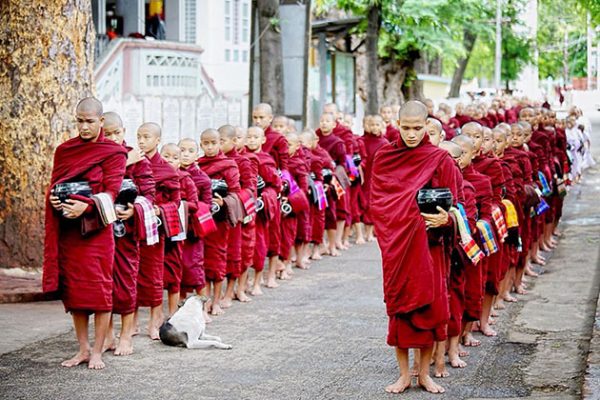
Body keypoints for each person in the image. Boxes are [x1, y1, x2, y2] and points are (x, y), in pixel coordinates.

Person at [371, 101, 459, 394]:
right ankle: (404, 375)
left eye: (417, 128)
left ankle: (424, 374)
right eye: (405, 127)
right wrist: (396, 224)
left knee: (429, 310)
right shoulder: (385, 157)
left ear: (426, 126)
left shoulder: (438, 159)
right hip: (397, 245)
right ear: (397, 124)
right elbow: (379, 203)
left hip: (429, 246)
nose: (411, 134)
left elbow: (457, 207)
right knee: (400, 311)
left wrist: (446, 220)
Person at [44, 97, 127, 369]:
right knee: (76, 291)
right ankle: (82, 349)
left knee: (100, 291)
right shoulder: (65, 150)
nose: (84, 127)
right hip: (69, 229)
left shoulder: (113, 152)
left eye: (90, 121)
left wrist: (87, 204)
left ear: (101, 121)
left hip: (97, 231)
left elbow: (113, 192)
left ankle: (98, 352)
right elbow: (56, 183)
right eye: (80, 121)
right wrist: (55, 200)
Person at [103, 111, 155, 356]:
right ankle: (108, 336)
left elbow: (149, 194)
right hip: (100, 230)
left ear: (124, 131)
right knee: (103, 285)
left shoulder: (140, 159)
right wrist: (124, 161)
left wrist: (135, 210)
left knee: (125, 282)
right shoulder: (98, 155)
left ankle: (126, 336)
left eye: (117, 133)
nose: (113, 138)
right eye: (108, 133)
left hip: (126, 233)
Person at [136, 122, 181, 338]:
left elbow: (176, 202)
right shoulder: (133, 164)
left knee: (154, 275)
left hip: (156, 228)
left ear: (157, 140)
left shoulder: (166, 170)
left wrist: (159, 210)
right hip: (134, 226)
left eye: (146, 137)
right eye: (139, 137)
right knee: (133, 275)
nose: (142, 141)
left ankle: (154, 321)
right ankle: (132, 322)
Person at [197, 129, 241, 315]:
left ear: (219, 143)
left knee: (218, 261)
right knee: (204, 262)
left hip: (220, 221)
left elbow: (236, 193)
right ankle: (205, 302)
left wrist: (224, 202)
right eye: (205, 144)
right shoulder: (198, 164)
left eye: (213, 143)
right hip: (204, 221)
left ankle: (216, 301)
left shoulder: (229, 165)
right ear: (201, 145)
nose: (209, 147)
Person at [219, 125, 256, 308]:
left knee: (237, 253)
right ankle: (217, 294)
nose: (217, 145)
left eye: (221, 141)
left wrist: (231, 200)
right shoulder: (209, 161)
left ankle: (233, 290)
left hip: (237, 214)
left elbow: (250, 189)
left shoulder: (242, 162)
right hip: (218, 215)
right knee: (217, 256)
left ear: (233, 142)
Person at [178, 138, 213, 319]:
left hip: (194, 230)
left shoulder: (203, 179)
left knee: (196, 268)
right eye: (182, 150)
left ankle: (203, 310)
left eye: (190, 151)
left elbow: (207, 204)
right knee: (179, 269)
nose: (185, 154)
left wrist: (188, 206)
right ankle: (181, 308)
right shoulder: (172, 175)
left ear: (196, 155)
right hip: (176, 229)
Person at [245, 126, 281, 294]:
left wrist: (265, 198)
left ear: (263, 140)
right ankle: (245, 282)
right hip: (247, 210)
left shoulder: (266, 159)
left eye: (255, 137)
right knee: (245, 249)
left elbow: (276, 185)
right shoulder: (242, 158)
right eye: (249, 137)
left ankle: (260, 281)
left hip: (264, 210)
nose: (251, 140)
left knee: (263, 246)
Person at [160, 143, 195, 316]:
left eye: (175, 158)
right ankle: (157, 313)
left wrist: (179, 205)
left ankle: (173, 312)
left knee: (173, 272)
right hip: (157, 229)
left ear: (180, 162)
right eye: (166, 156)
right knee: (155, 273)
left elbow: (195, 204)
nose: (170, 161)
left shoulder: (185, 179)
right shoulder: (154, 175)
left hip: (176, 230)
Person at [316, 112, 348, 257]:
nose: (324, 123)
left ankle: (332, 244)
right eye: (322, 120)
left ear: (334, 124)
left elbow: (342, 164)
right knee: (318, 215)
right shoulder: (315, 139)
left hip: (331, 182)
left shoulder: (337, 142)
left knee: (331, 214)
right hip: (317, 180)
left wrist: (333, 175)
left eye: (327, 121)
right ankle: (321, 244)